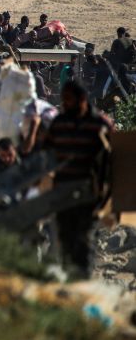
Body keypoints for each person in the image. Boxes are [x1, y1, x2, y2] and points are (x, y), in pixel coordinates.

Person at [42, 80, 114, 276]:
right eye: (63, 100)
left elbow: (112, 159)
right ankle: (70, 284)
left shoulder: (100, 124)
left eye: (69, 100)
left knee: (83, 241)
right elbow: (46, 154)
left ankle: (82, 280)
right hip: (63, 192)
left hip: (89, 194)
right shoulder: (59, 123)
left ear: (82, 100)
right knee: (64, 239)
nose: (65, 104)